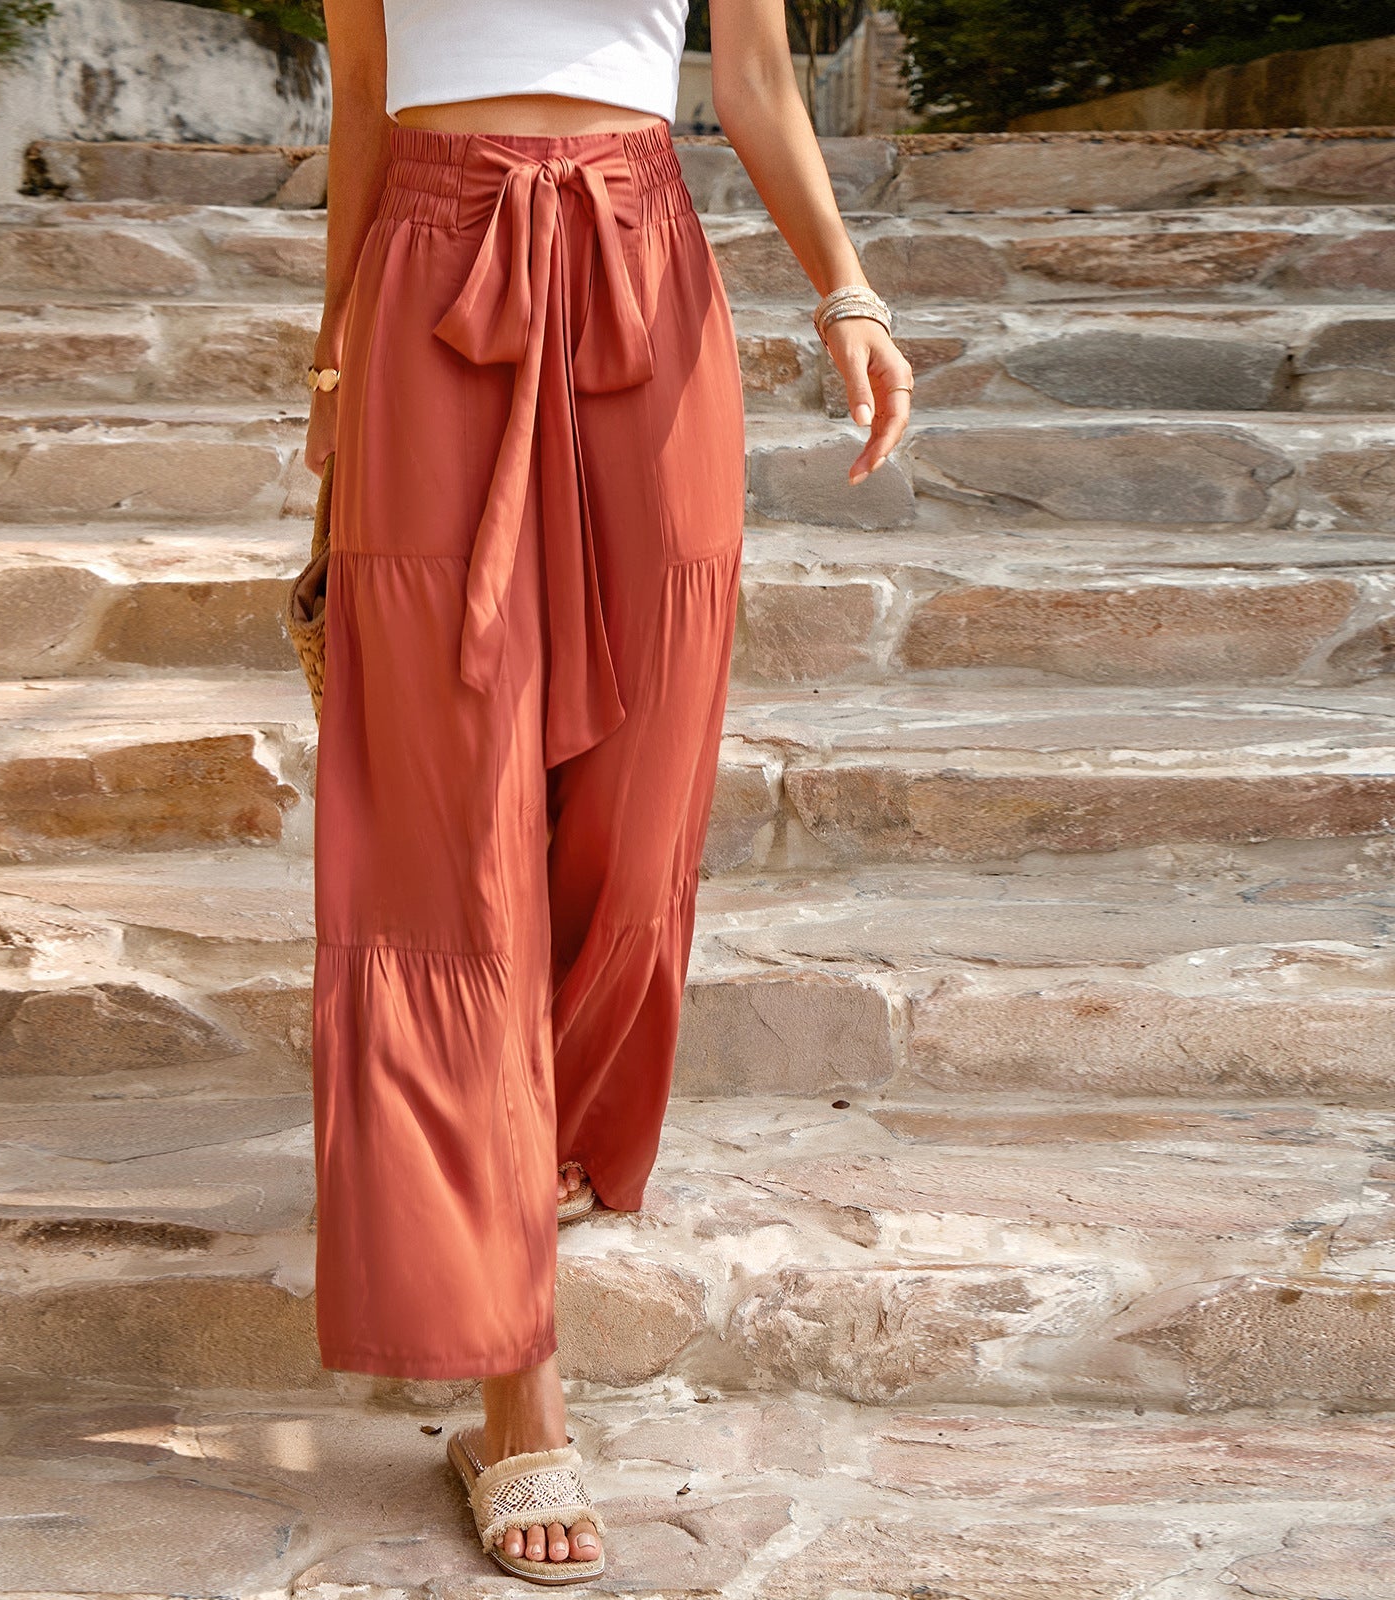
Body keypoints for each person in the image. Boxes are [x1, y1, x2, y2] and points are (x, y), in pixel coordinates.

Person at [303, 0, 913, 1582]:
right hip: (431, 271)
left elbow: (755, 77)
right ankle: (516, 1386)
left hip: (644, 268)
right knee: (454, 856)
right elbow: (364, 99)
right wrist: (332, 371)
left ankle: (532, 1133)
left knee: (642, 820)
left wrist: (847, 290)